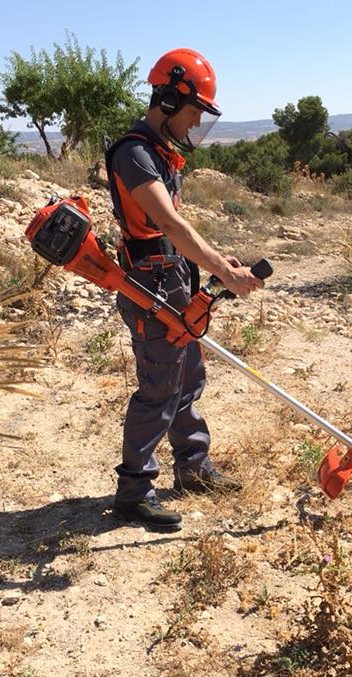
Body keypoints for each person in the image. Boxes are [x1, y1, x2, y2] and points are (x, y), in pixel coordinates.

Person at [106, 48, 264, 532]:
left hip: (173, 281)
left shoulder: (160, 153)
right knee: (159, 389)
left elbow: (176, 232)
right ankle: (134, 492)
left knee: (188, 378)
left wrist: (218, 261)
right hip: (147, 289)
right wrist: (221, 268)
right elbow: (169, 222)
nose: (197, 123)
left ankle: (193, 467)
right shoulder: (134, 154)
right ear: (170, 100)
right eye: (195, 111)